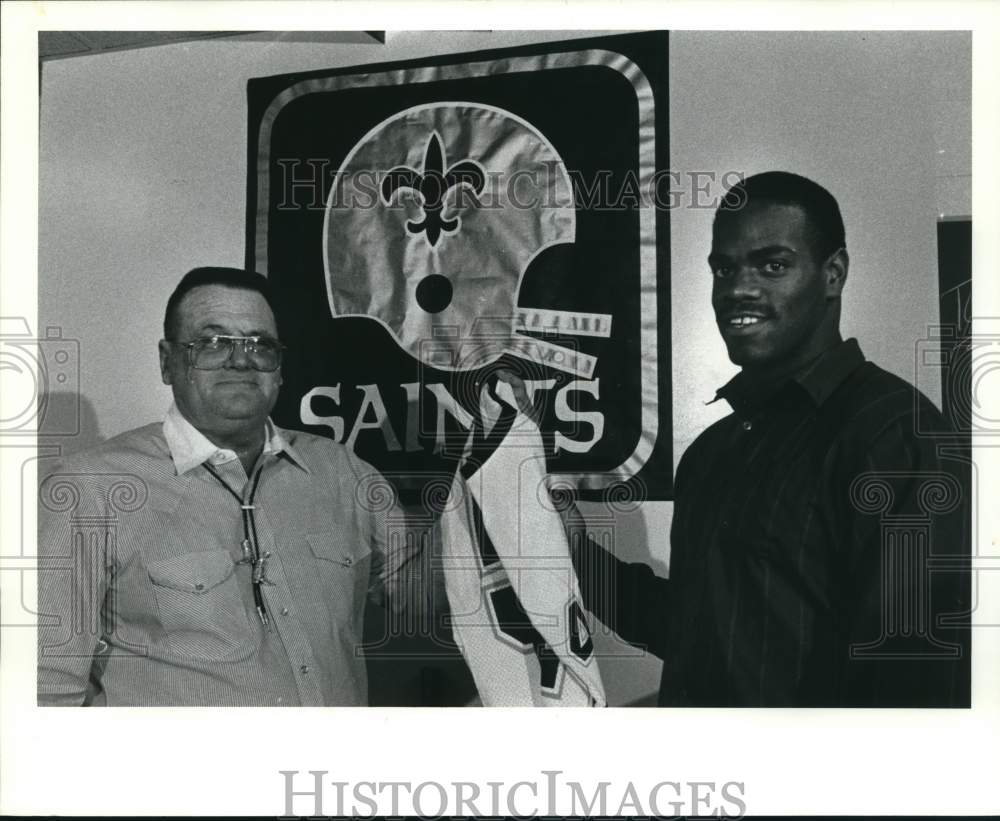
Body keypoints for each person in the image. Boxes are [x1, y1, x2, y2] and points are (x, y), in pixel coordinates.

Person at [570, 171, 970, 707]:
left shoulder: (892, 433)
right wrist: (573, 553)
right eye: (724, 267)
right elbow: (695, 634)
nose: (739, 288)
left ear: (833, 274)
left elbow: (914, 685)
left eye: (773, 265)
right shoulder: (712, 452)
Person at [37, 267, 423, 706]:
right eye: (212, 343)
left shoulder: (340, 471)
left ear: (278, 367)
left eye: (259, 345)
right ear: (168, 362)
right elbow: (45, 688)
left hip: (324, 774)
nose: (241, 360)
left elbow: (423, 602)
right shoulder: (91, 490)